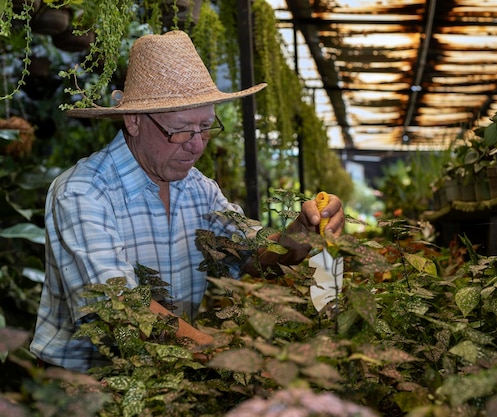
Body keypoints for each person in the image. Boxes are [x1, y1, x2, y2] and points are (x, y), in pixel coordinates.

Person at [30, 30, 344, 372]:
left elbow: (255, 253)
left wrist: (303, 231)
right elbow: (120, 306)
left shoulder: (198, 189)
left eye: (206, 127)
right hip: (84, 390)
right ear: (133, 121)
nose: (197, 146)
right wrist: (225, 355)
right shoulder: (83, 191)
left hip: (170, 376)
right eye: (180, 130)